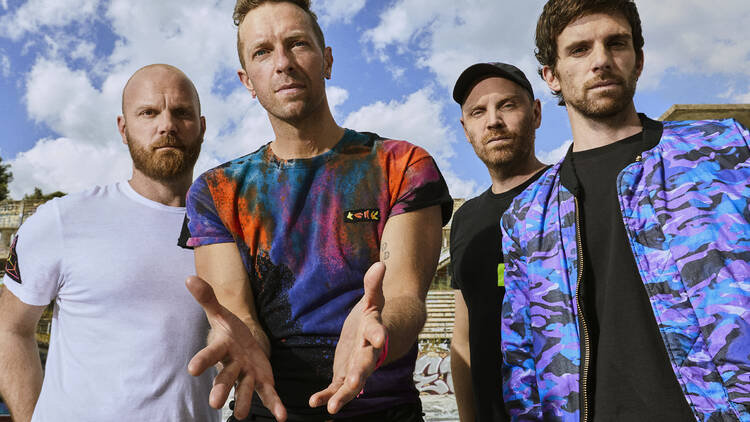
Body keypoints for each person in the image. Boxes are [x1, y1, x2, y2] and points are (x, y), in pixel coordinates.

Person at [178, 0, 453, 421]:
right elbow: (240, 314)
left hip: (383, 411)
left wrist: (377, 333)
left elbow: (404, 296)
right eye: (262, 52)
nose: (283, 63)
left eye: (297, 43)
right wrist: (238, 338)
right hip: (269, 410)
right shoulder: (217, 191)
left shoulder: (402, 166)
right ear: (247, 80)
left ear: (326, 60)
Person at [500, 0, 750, 420]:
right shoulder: (527, 215)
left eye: (616, 43)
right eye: (579, 49)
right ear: (552, 77)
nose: (601, 60)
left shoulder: (723, 151)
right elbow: (520, 360)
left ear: (638, 61)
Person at [0, 64, 219, 422]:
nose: (167, 125)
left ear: (202, 126)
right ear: (123, 128)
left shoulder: (226, 231)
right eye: (149, 112)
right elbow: (9, 328)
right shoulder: (62, 220)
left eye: (182, 112)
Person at [448, 62, 547, 422]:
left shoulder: (571, 193)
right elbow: (463, 339)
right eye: (478, 111)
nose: (493, 121)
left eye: (507, 105)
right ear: (466, 129)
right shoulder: (465, 220)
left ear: (535, 113)